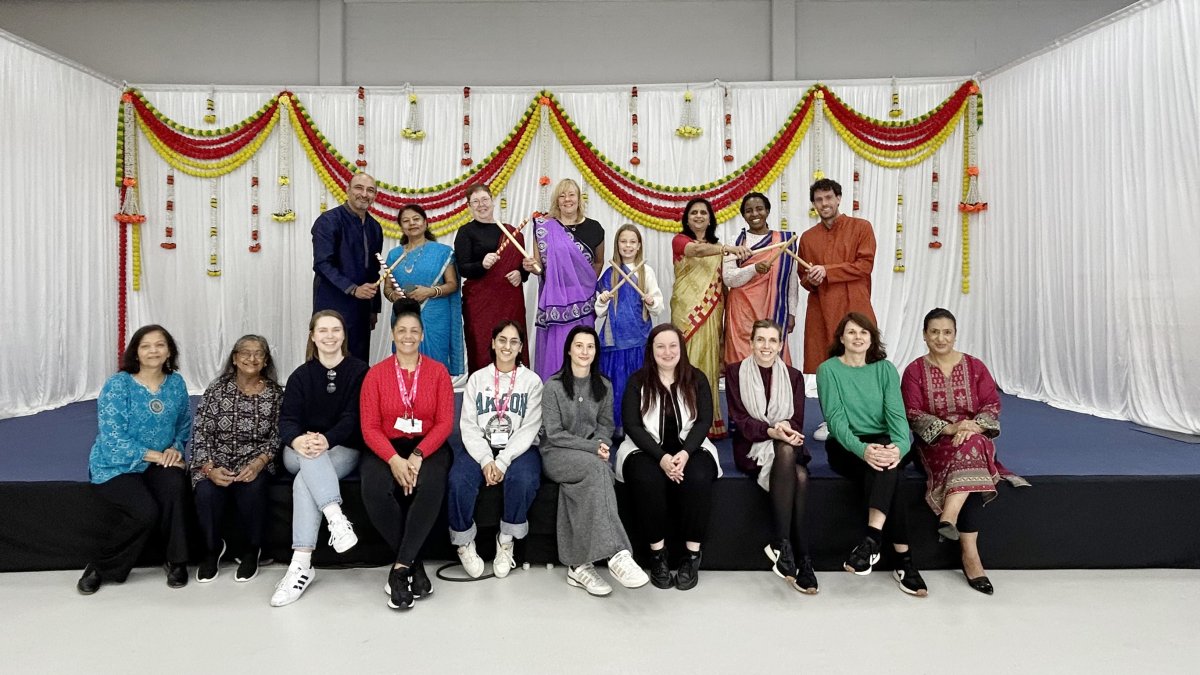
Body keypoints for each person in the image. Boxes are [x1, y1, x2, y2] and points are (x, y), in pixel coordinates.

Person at [901, 308, 1030, 595]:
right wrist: (949, 429)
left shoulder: (975, 367)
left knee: (972, 447)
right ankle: (971, 557)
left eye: (947, 332)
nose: (940, 337)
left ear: (955, 334)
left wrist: (971, 427)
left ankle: (949, 518)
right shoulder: (914, 371)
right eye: (934, 331)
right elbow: (912, 413)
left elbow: (991, 405)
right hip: (934, 445)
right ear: (924, 335)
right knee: (972, 463)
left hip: (974, 437)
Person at [817, 312, 926, 597]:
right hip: (847, 444)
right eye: (851, 332)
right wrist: (864, 450)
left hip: (885, 441)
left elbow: (898, 418)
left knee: (890, 467)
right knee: (891, 475)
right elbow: (836, 421)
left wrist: (899, 449)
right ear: (841, 338)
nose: (857, 337)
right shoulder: (828, 370)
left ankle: (871, 541)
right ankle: (904, 563)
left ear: (871, 339)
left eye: (864, 333)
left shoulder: (885, 369)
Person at [78, 325, 192, 594]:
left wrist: (176, 448)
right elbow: (112, 437)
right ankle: (100, 567)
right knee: (145, 511)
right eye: (146, 346)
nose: (154, 350)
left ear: (169, 351)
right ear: (136, 353)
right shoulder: (118, 385)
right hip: (116, 463)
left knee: (176, 486)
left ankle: (176, 561)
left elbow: (183, 424)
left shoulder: (176, 383)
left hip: (159, 460)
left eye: (160, 344)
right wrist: (158, 456)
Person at [539, 326, 649, 596]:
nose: (584, 351)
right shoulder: (552, 387)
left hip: (590, 456)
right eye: (579, 345)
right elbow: (554, 434)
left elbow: (605, 426)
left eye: (590, 346)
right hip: (556, 453)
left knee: (582, 482)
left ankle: (578, 566)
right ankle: (617, 553)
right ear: (569, 349)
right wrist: (593, 447)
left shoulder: (604, 385)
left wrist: (600, 444)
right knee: (599, 470)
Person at [270, 310, 370, 607]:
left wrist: (326, 439)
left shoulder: (359, 371)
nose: (329, 336)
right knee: (309, 457)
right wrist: (300, 440)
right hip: (297, 450)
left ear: (343, 335)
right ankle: (335, 519)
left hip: (341, 450)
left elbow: (353, 417)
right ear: (313, 336)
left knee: (306, 479)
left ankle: (300, 564)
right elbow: (287, 421)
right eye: (322, 330)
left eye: (335, 330)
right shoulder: (301, 375)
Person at [359, 299, 454, 610]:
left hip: (427, 445)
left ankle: (400, 570)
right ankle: (414, 563)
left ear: (423, 335)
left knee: (432, 483)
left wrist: (417, 454)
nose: (409, 336)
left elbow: (444, 423)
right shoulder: (375, 375)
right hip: (386, 446)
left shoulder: (439, 373)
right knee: (374, 488)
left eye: (415, 330)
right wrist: (394, 459)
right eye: (402, 330)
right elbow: (370, 427)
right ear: (392, 335)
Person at [615, 324, 720, 591]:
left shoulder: (696, 378)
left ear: (681, 349)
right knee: (646, 480)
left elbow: (704, 421)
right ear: (651, 350)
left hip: (691, 448)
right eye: (660, 346)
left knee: (697, 478)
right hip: (647, 449)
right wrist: (662, 458)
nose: (667, 351)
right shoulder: (638, 381)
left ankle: (692, 556)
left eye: (673, 345)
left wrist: (685, 454)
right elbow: (632, 426)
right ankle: (658, 555)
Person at [725, 319, 817, 594]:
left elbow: (797, 421)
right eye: (760, 340)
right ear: (751, 343)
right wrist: (771, 431)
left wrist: (784, 432)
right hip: (751, 447)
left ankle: (785, 547)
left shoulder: (794, 376)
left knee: (794, 465)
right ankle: (801, 556)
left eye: (772, 341)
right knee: (796, 473)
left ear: (780, 345)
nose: (766, 346)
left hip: (786, 442)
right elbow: (740, 420)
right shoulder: (734, 372)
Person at [450, 320, 543, 578]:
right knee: (458, 480)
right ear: (493, 343)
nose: (507, 346)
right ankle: (464, 542)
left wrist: (501, 462)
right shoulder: (477, 379)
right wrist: (485, 459)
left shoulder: (532, 382)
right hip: (480, 444)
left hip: (518, 448)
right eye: (502, 340)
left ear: (521, 347)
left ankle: (506, 540)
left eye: (514, 342)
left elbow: (529, 428)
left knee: (523, 479)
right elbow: (468, 426)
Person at [189, 334, 284, 584]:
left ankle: (252, 550)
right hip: (215, 459)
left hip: (254, 461)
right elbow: (201, 430)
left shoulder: (274, 394)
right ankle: (211, 550)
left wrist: (259, 463)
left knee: (254, 489)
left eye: (258, 353)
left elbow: (277, 436)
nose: (251, 358)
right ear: (234, 358)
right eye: (245, 352)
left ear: (265, 361)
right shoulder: (217, 388)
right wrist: (209, 468)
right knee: (206, 492)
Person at [798, 178, 877, 441]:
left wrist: (827, 271)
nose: (824, 204)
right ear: (814, 204)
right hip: (822, 309)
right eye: (819, 200)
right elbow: (804, 278)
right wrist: (813, 278)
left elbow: (864, 265)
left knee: (862, 362)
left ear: (839, 198)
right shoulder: (808, 238)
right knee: (827, 365)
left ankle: (864, 419)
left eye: (828, 198)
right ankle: (831, 419)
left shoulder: (861, 227)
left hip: (854, 305)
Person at [670, 197, 750, 438]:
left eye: (703, 212)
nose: (698, 216)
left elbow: (722, 281)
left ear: (710, 218)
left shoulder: (718, 247)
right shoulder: (681, 240)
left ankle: (709, 420)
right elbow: (697, 250)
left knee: (709, 364)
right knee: (686, 363)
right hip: (686, 312)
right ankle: (683, 420)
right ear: (687, 218)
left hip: (713, 309)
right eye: (693, 212)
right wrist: (728, 248)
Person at [525, 179, 605, 378]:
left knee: (582, 350)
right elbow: (539, 266)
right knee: (557, 352)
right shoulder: (544, 227)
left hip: (583, 302)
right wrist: (531, 266)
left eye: (571, 195)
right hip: (555, 301)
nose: (567, 199)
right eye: (562, 195)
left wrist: (585, 286)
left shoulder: (594, 228)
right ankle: (554, 400)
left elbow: (598, 262)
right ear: (556, 200)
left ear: (579, 199)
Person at [454, 183, 531, 373]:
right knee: (481, 348)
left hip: (509, 301)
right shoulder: (466, 232)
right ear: (469, 206)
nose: (481, 205)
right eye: (476, 201)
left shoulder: (511, 232)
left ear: (492, 201)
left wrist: (521, 274)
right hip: (480, 303)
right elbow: (462, 268)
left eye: (485, 200)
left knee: (512, 344)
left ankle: (516, 393)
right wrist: (482, 264)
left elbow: (523, 265)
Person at [594, 223, 664, 433]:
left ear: (639, 245)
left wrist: (651, 301)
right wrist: (604, 299)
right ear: (617, 244)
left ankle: (638, 427)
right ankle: (614, 428)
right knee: (615, 388)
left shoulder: (646, 271)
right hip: (614, 340)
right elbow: (599, 311)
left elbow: (658, 307)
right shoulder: (610, 273)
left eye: (632, 242)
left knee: (637, 386)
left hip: (638, 340)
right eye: (623, 241)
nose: (628, 246)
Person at [382, 203, 465, 376]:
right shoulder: (394, 255)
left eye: (416, 219)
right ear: (401, 227)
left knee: (435, 367)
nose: (411, 223)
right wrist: (393, 296)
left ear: (425, 223)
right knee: (406, 367)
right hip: (403, 315)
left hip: (435, 317)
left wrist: (429, 291)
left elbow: (452, 284)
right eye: (406, 221)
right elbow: (387, 288)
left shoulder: (442, 252)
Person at [312, 172, 384, 362]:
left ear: (375, 196)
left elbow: (374, 270)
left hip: (361, 307)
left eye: (370, 190)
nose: (364, 194)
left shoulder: (374, 227)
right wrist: (353, 290)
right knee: (330, 357)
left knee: (358, 360)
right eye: (359, 188)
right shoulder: (329, 221)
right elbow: (322, 264)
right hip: (333, 303)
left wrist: (373, 309)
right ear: (347, 190)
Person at [722, 192, 799, 366]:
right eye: (749, 211)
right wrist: (753, 268)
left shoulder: (784, 241)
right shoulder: (735, 241)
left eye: (759, 209)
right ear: (743, 215)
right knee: (741, 359)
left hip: (774, 308)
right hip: (741, 311)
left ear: (768, 211)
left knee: (771, 356)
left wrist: (792, 312)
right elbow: (728, 279)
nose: (754, 214)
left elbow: (791, 280)